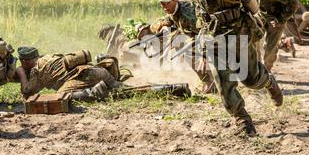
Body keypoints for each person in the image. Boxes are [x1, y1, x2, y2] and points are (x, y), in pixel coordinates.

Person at [179, 0, 283, 136]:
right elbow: (201, 9)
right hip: (214, 35)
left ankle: (269, 82)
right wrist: (199, 41)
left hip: (238, 31)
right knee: (223, 83)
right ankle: (243, 120)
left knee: (251, 79)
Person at [15, 46, 191, 101]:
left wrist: (22, 73)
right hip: (97, 71)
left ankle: (95, 93)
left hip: (88, 79)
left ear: (26, 61)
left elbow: (27, 92)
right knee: (126, 90)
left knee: (61, 97)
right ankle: (174, 87)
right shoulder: (50, 57)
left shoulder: (36, 70)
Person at [137, 0, 216, 94]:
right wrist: (149, 29)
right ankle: (208, 79)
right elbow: (167, 20)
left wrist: (204, 54)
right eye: (162, 4)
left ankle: (209, 82)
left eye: (167, 3)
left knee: (186, 50)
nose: (165, 7)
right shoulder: (174, 9)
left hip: (213, 34)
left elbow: (205, 31)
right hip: (198, 35)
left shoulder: (188, 13)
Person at [243, 0, 298, 71]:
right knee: (252, 42)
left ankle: (267, 73)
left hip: (277, 16)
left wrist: (281, 20)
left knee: (269, 51)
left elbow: (293, 3)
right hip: (261, 13)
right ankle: (257, 73)